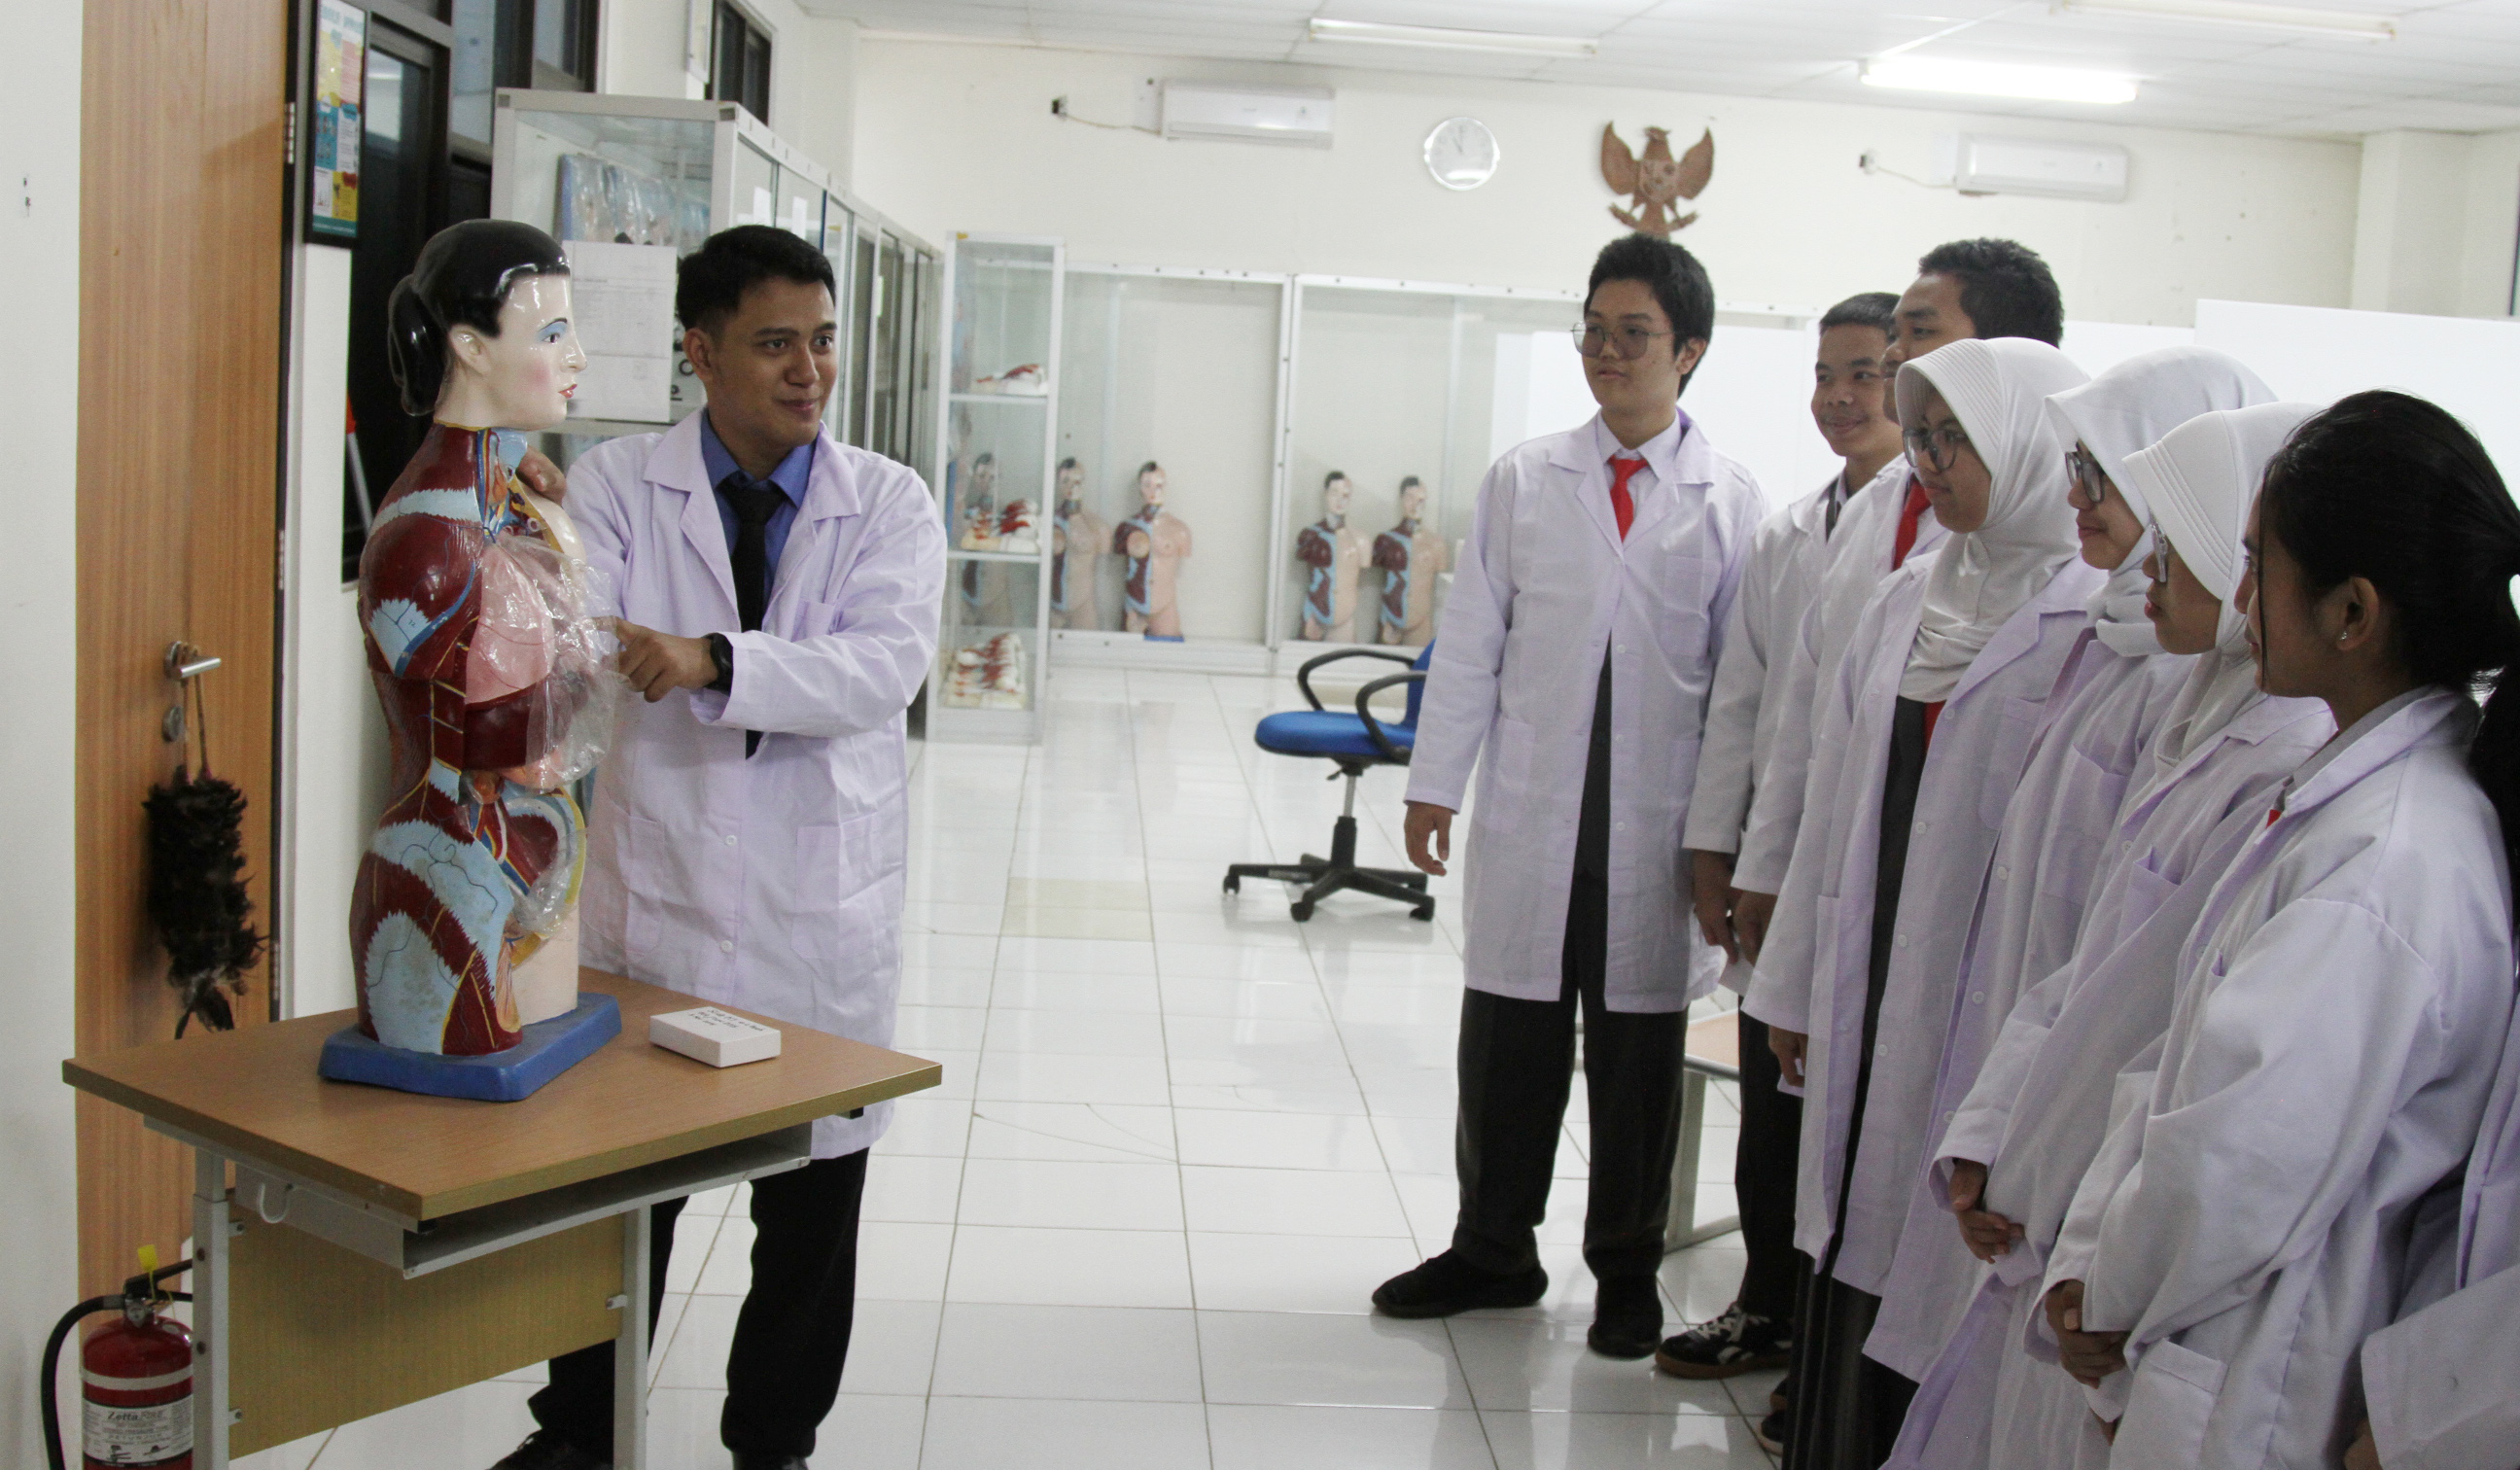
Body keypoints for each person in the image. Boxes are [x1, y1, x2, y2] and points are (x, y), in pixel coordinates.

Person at [488, 226, 946, 1470]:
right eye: (775, 343)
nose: (810, 370)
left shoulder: (888, 502)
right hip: (665, 899)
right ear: (700, 351)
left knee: (811, 1215)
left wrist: (712, 658)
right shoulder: (623, 487)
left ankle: (775, 1445)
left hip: (817, 912)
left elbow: (878, 667)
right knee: (622, 1203)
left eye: (823, 340)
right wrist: (654, 647)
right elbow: (587, 638)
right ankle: (578, 1436)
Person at [2039, 392, 2520, 1466]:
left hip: (2258, 1371)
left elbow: (2233, 1159)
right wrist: (2090, 1264)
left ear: (2352, 613)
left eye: (2259, 563)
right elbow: (2183, 1058)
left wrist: (2104, 1291)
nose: (2240, 594)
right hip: (2200, 1323)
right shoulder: (2356, 804)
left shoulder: (2392, 858)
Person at [1881, 402, 2334, 1469]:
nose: (2150, 569)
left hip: (2112, 1231)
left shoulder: (2284, 756)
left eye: (2181, 546)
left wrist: (2078, 1228)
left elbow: (2170, 1042)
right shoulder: (2205, 710)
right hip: (2055, 1183)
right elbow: (2085, 965)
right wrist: (1991, 1135)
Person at [1371, 233, 1764, 1360]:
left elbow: (1739, 693)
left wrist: (1726, 842)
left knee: (1638, 1062)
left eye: (1632, 334)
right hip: (1538, 813)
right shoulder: (1525, 479)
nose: (1606, 352)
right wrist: (1435, 784)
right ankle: (1494, 1248)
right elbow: (1474, 641)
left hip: (1657, 831)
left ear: (1688, 351)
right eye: (1592, 330)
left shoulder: (1730, 503)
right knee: (1507, 1043)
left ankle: (1628, 1272)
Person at [1748, 337, 2098, 1468]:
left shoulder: (2090, 626)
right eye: (1928, 435)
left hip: (1978, 997)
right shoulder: (1908, 597)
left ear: (2034, 448)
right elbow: (1832, 807)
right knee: (1850, 1232)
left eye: (1958, 439)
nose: (1932, 462)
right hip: (1870, 971)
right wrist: (1793, 980)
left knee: (1935, 1272)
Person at [1660, 290, 1904, 1383]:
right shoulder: (1791, 531)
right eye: (1825, 375)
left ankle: (1822, 1329)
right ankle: (1766, 1302)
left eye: (1867, 374)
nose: (1840, 397)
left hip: (1853, 876)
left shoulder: (1928, 535)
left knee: (1837, 1113)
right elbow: (1746, 708)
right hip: (1774, 866)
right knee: (1770, 1095)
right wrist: (1719, 850)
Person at [1727, 237, 2065, 976]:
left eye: (1917, 334)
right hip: (1843, 864)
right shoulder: (1880, 521)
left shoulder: (2069, 574)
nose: (1891, 359)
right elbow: (1807, 715)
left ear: (2002, 353)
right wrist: (1766, 862)